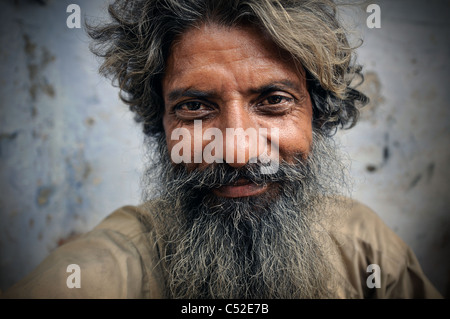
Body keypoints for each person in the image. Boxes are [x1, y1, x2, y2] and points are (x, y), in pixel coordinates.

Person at [2, 0, 442, 299]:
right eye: (195, 107)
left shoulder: (365, 250)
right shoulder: (97, 276)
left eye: (273, 101)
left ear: (318, 113)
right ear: (162, 124)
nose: (236, 150)